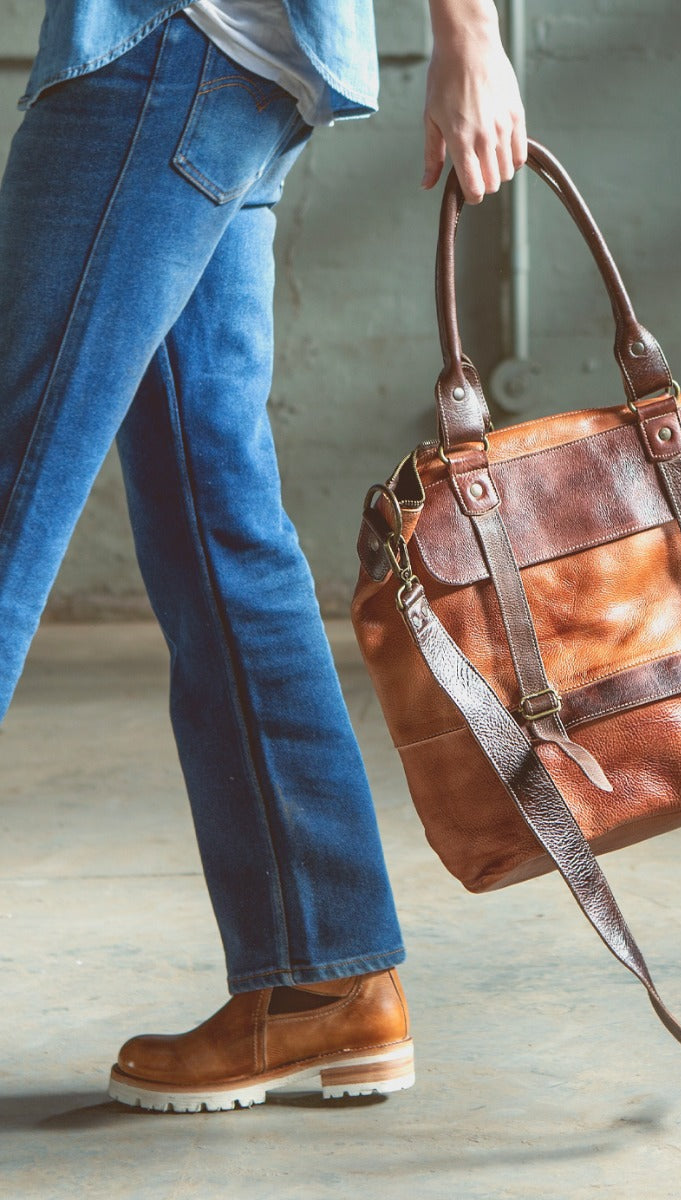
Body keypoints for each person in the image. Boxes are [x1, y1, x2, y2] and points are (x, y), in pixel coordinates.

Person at [0, 0, 525, 1113]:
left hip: (165, 43)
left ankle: (321, 974)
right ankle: (321, 982)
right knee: (216, 523)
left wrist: (468, 32)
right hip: (226, 68)